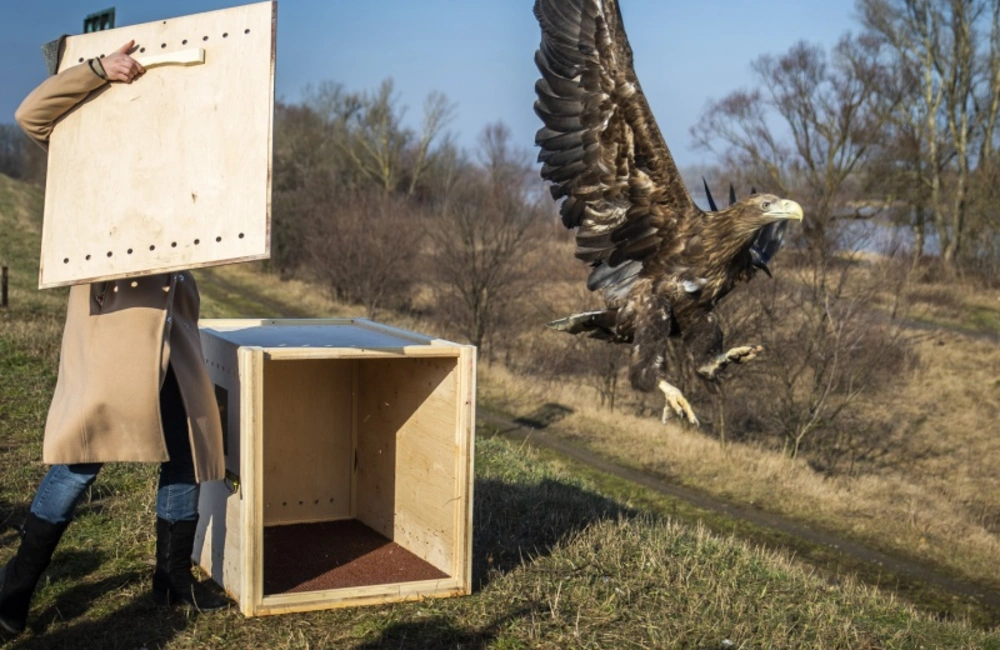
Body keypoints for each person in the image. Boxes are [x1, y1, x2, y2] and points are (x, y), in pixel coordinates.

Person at [0, 40, 229, 637]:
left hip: (172, 322)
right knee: (81, 458)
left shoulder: (177, 149)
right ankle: (13, 594)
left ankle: (172, 585)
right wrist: (99, 71)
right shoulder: (86, 134)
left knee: (183, 452)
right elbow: (31, 115)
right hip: (112, 319)